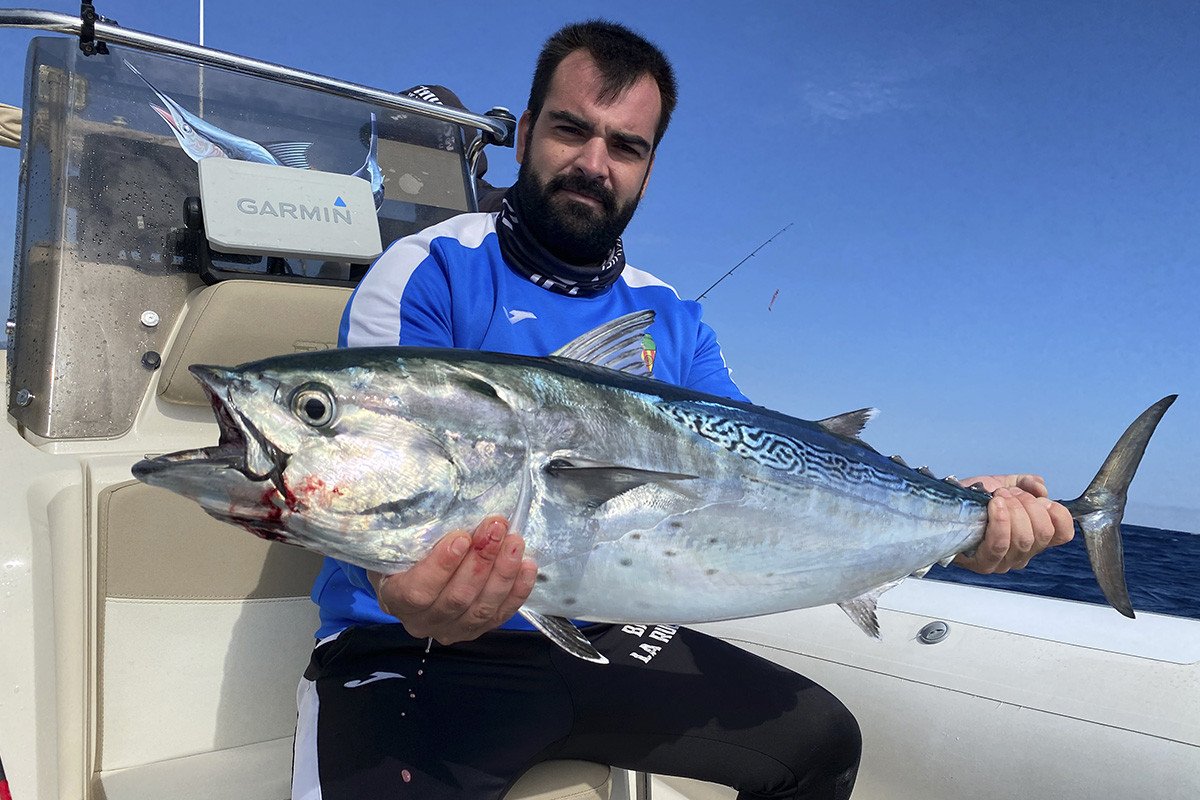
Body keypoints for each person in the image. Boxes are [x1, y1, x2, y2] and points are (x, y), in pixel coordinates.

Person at [294, 20, 1074, 800]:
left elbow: (760, 477)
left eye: (625, 147)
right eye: (571, 130)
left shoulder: (673, 316)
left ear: (648, 166)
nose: (593, 165)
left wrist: (963, 520)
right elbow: (365, 470)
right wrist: (400, 588)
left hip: (599, 638)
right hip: (409, 645)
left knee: (824, 742)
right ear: (527, 132)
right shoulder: (429, 270)